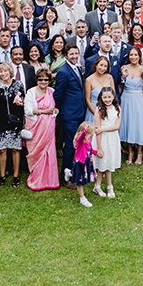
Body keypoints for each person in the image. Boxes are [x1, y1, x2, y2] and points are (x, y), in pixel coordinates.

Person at [54, 44, 85, 189]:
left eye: (76, 53)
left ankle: (75, 171)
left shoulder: (77, 68)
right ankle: (65, 176)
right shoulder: (63, 72)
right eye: (71, 54)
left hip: (79, 112)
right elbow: (58, 94)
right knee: (70, 146)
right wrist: (61, 111)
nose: (74, 56)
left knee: (78, 144)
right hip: (69, 115)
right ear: (66, 55)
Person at [0, 62, 26, 187]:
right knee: (2, 150)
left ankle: (16, 175)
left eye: (5, 71)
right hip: (0, 120)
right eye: (1, 72)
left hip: (15, 121)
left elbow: (23, 100)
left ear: (10, 71)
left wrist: (19, 101)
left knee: (16, 149)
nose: (3, 74)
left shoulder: (18, 84)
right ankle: (2, 175)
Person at [24, 69, 59, 190]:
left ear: (49, 81)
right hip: (35, 127)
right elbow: (27, 110)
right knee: (36, 152)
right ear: (36, 80)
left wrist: (55, 111)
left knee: (49, 152)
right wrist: (44, 111)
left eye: (46, 80)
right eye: (40, 79)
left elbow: (55, 107)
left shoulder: (52, 92)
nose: (43, 82)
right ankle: (36, 180)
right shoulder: (31, 92)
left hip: (49, 127)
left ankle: (50, 180)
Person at [119, 46, 143, 165]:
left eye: (135, 55)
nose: (133, 57)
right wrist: (123, 76)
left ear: (139, 56)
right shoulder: (124, 67)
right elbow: (121, 83)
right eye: (131, 55)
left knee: (138, 124)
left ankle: (139, 152)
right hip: (126, 98)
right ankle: (130, 152)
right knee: (128, 124)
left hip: (137, 99)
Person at [91, 87, 121, 198]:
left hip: (112, 139)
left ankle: (97, 186)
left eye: (109, 97)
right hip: (102, 140)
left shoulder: (117, 108)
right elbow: (97, 130)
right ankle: (109, 186)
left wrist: (102, 129)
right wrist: (99, 148)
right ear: (101, 98)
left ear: (113, 97)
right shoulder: (98, 110)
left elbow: (116, 126)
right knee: (104, 164)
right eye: (105, 97)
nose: (107, 99)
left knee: (107, 163)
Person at [72, 122, 99, 207]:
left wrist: (96, 153)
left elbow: (89, 150)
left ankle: (70, 173)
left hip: (86, 163)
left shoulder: (88, 140)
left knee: (82, 178)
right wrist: (84, 132)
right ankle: (82, 198)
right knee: (79, 181)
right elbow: (81, 138)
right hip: (80, 163)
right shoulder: (80, 141)